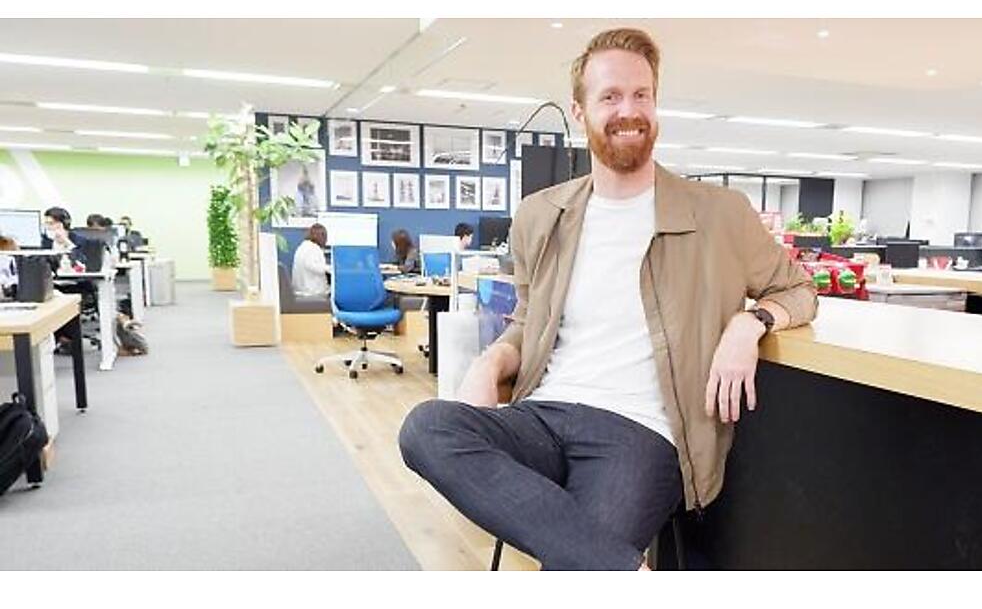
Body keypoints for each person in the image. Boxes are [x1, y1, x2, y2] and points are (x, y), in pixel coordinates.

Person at [398, 28, 818, 570]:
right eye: (610, 96)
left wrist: (751, 322)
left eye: (642, 95)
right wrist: (492, 361)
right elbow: (529, 320)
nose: (629, 111)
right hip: (544, 413)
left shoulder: (719, 214)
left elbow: (799, 289)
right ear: (579, 111)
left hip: (641, 433)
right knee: (426, 428)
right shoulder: (542, 216)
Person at [291, 223, 330, 296]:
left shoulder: (302, 246)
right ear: (322, 236)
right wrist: (331, 268)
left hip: (299, 290)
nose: (326, 240)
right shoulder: (314, 248)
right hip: (311, 292)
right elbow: (315, 267)